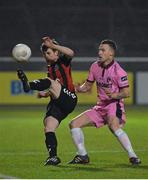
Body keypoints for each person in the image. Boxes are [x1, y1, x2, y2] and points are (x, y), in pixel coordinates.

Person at [68, 39, 141, 165]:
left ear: (111, 54)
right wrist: (76, 88)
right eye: (99, 50)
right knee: (74, 124)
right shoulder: (94, 66)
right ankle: (83, 155)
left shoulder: (119, 71)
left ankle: (133, 156)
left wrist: (114, 95)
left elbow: (127, 93)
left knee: (114, 127)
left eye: (103, 50)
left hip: (114, 104)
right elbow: (87, 87)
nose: (99, 52)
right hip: (100, 106)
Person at [17, 36, 77, 166]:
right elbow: (53, 88)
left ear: (56, 53)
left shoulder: (62, 61)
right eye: (44, 53)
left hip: (70, 98)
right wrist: (45, 94)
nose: (46, 55)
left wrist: (54, 45)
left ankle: (28, 85)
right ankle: (53, 157)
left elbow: (71, 53)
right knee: (48, 126)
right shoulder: (50, 70)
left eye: (48, 53)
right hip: (58, 102)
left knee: (49, 82)